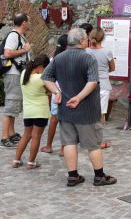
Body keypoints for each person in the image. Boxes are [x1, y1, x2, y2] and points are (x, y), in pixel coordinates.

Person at [41, 28, 117, 187]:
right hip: (87, 110)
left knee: (69, 143)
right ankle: (99, 176)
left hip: (65, 109)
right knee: (93, 145)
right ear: (82, 41)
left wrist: (56, 92)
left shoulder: (58, 58)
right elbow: (93, 81)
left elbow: (46, 77)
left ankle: (72, 176)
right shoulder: (88, 58)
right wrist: (80, 97)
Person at [12, 55, 50, 169]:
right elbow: (50, 91)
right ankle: (31, 162)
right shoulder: (42, 78)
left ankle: (16, 160)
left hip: (28, 111)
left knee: (26, 135)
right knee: (36, 136)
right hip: (40, 111)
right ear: (40, 66)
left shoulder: (24, 74)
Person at [0, 13, 32, 148]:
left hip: (17, 74)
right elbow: (7, 53)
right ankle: (4, 138)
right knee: (11, 104)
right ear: (24, 23)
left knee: (14, 105)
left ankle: (11, 134)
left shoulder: (19, 36)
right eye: (28, 21)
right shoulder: (14, 35)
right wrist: (24, 50)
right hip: (13, 75)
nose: (29, 23)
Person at [86, 27, 115, 149]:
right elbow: (112, 68)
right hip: (103, 84)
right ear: (102, 38)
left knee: (89, 113)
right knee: (101, 114)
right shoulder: (107, 52)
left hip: (89, 84)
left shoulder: (86, 52)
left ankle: (87, 138)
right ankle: (98, 141)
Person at [41, 34, 67, 155]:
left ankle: (48, 145)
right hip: (67, 92)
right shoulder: (67, 58)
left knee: (54, 120)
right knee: (65, 122)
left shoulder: (53, 59)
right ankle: (63, 148)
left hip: (55, 91)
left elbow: (47, 76)